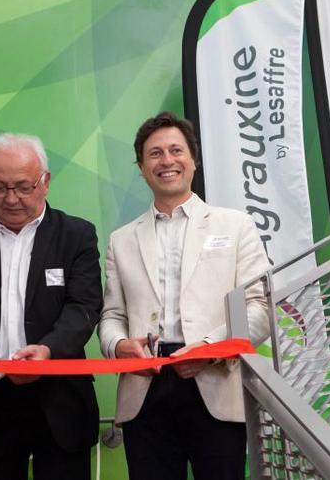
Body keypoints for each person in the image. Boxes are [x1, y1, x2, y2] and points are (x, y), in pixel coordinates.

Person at [98, 111, 271, 480]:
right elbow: (111, 315)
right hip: (145, 390)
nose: (167, 161)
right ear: (142, 167)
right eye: (155, 154)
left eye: (176, 150)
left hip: (215, 385)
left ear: (194, 159)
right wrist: (118, 346)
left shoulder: (235, 226)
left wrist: (209, 349)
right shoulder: (121, 239)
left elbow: (260, 309)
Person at [0, 133, 102, 480]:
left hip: (59, 402)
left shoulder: (76, 235)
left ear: (46, 182)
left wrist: (48, 351)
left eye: (23, 187)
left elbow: (83, 307)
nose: (11, 199)